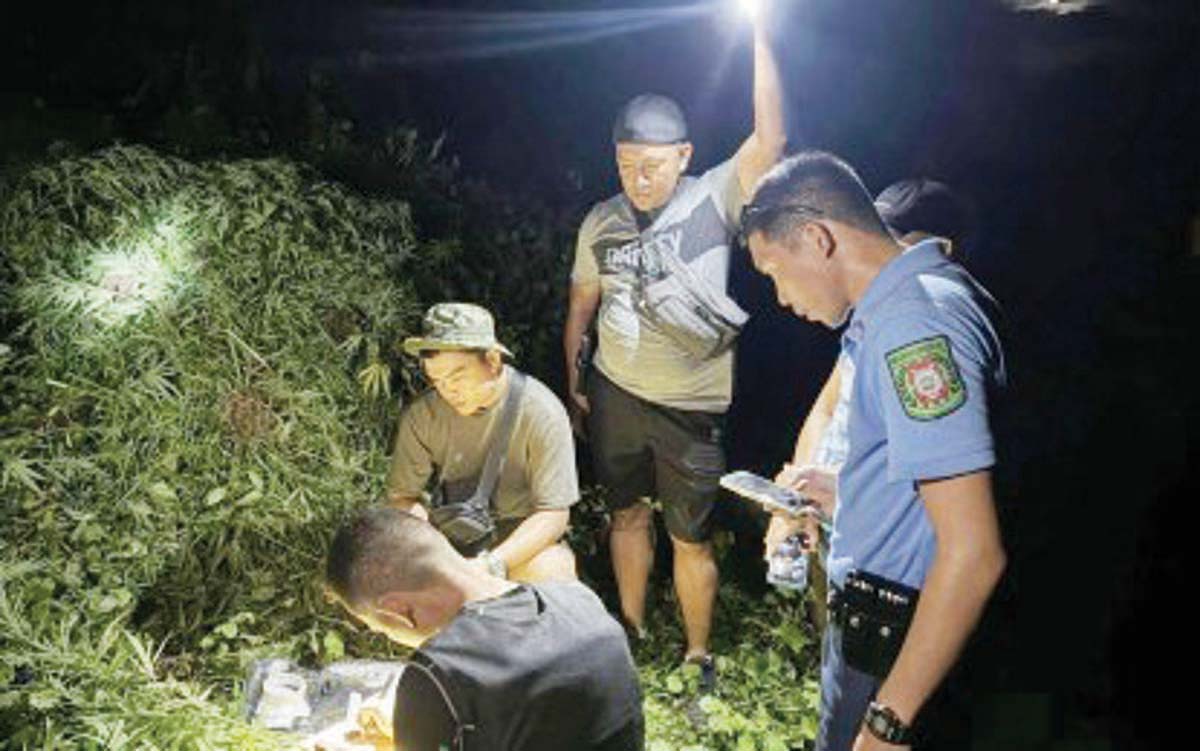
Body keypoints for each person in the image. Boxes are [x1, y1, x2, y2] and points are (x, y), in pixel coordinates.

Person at [741, 151, 1008, 750]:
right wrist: (850, 497)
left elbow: (974, 552)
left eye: (774, 272)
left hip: (897, 639)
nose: (780, 298)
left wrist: (888, 723)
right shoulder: (906, 306)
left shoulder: (917, 326)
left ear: (816, 238)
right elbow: (933, 489)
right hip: (880, 623)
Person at [562, 15, 786, 672]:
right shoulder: (600, 219)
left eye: (653, 165)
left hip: (692, 408)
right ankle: (628, 635)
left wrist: (762, 33)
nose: (639, 178)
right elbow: (582, 303)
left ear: (684, 156)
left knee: (690, 535)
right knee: (626, 515)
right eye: (627, 165)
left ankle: (697, 654)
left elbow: (771, 138)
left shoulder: (713, 198)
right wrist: (574, 381)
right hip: (616, 394)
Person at [766, 178, 980, 628]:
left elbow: (960, 531)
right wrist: (796, 500)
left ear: (941, 248)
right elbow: (825, 409)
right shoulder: (871, 322)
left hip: (884, 557)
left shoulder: (925, 326)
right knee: (837, 638)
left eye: (899, 245)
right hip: (831, 519)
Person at [325, 507, 644, 751]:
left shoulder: (439, 674)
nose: (387, 637)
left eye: (380, 629)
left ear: (398, 611)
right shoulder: (581, 601)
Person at [386, 302, 577, 584]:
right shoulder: (422, 416)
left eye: (457, 376)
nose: (448, 390)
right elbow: (402, 499)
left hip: (519, 541)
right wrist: (435, 554)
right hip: (448, 536)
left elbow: (554, 513)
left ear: (492, 361)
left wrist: (492, 564)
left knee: (553, 568)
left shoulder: (541, 412)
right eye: (436, 379)